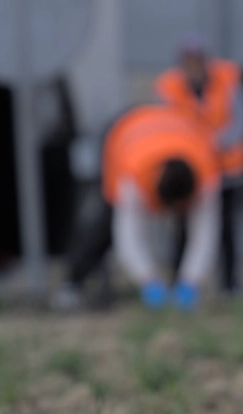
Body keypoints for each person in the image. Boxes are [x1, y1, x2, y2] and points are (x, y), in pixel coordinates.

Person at [58, 104, 221, 310]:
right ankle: (73, 282)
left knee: (189, 229)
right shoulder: (133, 176)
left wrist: (192, 281)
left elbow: (206, 233)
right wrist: (148, 280)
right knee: (107, 224)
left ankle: (180, 284)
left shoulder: (207, 175)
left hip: (174, 129)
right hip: (123, 133)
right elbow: (127, 235)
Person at [155, 38, 243, 296]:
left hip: (226, 170)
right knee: (183, 229)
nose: (193, 66)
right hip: (193, 172)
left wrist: (214, 143)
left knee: (226, 230)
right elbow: (166, 123)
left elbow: (242, 121)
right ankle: (179, 283)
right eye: (188, 61)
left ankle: (230, 286)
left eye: (197, 60)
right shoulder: (171, 87)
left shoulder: (228, 81)